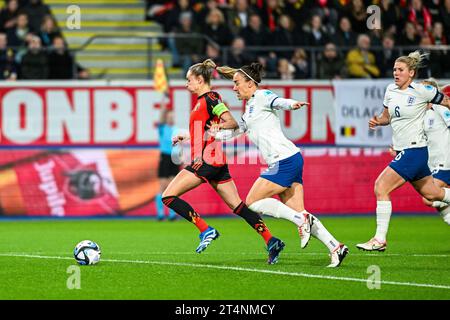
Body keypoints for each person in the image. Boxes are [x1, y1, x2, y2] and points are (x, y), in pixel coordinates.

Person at [211, 62, 349, 268]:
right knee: (300, 212)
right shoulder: (249, 109)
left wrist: (292, 104)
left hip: (282, 160)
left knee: (252, 201)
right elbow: (237, 131)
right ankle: (335, 246)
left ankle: (301, 222)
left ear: (250, 83)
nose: (234, 88)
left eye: (237, 83)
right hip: (291, 158)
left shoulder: (263, 96)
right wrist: (215, 134)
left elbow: (278, 101)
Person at [162, 59, 285, 264]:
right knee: (238, 206)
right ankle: (271, 240)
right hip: (215, 159)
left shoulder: (210, 98)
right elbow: (207, 131)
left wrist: (221, 127)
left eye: (189, 80)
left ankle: (205, 230)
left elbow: (231, 122)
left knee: (167, 196)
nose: (186, 84)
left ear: (200, 80)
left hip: (207, 159)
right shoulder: (203, 101)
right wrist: (188, 137)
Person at [356, 51, 450, 252]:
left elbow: (446, 102)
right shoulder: (390, 90)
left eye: (400, 70)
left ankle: (379, 240)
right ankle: (379, 240)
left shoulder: (422, 91)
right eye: (394, 70)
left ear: (412, 73)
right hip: (408, 151)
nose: (396, 73)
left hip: (414, 150)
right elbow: (386, 117)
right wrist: (377, 121)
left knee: (381, 187)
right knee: (432, 194)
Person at [421, 79, 450, 225]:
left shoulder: (441, 109)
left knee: (429, 197)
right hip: (433, 165)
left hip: (445, 162)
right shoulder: (421, 116)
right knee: (443, 206)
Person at [155, 101, 180, 221]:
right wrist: (163, 105)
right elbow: (160, 119)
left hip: (175, 158)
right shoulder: (163, 128)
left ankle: (172, 214)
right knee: (163, 186)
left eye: (172, 117)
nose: (171, 118)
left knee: (173, 186)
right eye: (169, 117)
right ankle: (160, 213)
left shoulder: (177, 130)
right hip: (165, 157)